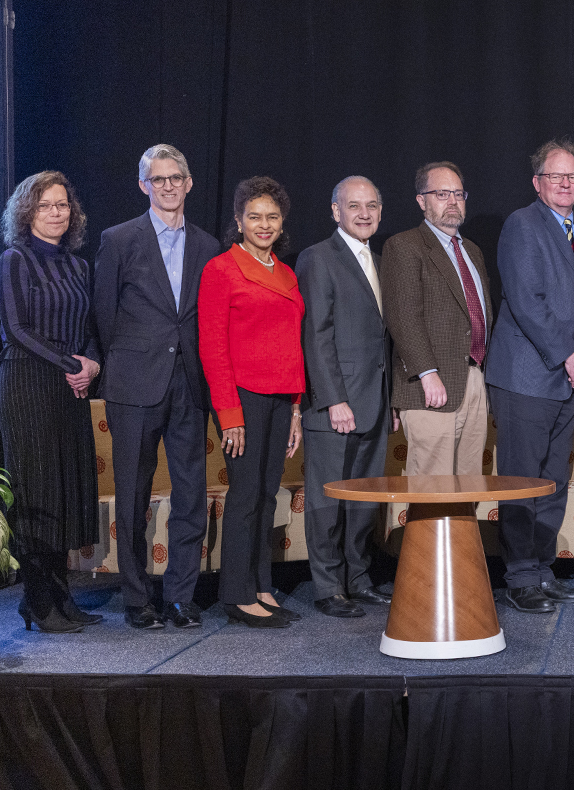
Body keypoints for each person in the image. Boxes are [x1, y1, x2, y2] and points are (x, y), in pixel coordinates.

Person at [94, 144, 220, 630]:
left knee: (190, 495)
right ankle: (136, 597)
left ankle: (181, 598)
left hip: (190, 385)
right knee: (132, 495)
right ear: (144, 185)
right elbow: (104, 314)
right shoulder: (119, 238)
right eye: (158, 179)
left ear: (189, 183)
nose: (168, 186)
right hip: (134, 384)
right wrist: (125, 363)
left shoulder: (209, 246)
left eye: (176, 178)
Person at [486, 140, 574, 613]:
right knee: (522, 480)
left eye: (572, 177)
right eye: (555, 177)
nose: (565, 184)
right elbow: (526, 300)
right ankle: (519, 577)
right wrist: (569, 355)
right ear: (537, 182)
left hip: (572, 377)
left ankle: (541, 568)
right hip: (527, 375)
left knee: (553, 481)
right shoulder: (522, 225)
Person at [0, 171, 101, 633]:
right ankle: (37, 601)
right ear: (27, 212)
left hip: (69, 388)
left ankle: (61, 596)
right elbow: (17, 328)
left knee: (64, 492)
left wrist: (91, 363)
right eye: (45, 205)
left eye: (62, 205)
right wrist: (70, 364)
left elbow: (92, 327)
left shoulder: (79, 267)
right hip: (27, 384)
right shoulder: (14, 259)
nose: (56, 212)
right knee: (36, 492)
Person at [198, 177, 305, 628]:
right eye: (255, 217)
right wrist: (229, 415)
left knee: (267, 493)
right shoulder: (221, 269)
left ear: (282, 224)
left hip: (283, 397)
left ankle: (262, 583)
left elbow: (293, 342)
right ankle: (237, 594)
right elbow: (212, 347)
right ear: (239, 221)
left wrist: (297, 407)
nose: (264, 225)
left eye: (272, 217)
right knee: (245, 495)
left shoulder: (286, 271)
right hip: (244, 397)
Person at [297, 176, 394, 619]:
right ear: (335, 211)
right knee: (327, 499)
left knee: (362, 498)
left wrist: (389, 400)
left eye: (371, 205)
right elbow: (315, 336)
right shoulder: (318, 258)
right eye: (353, 205)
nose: (363, 213)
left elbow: (382, 341)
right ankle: (328, 586)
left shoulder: (378, 260)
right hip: (336, 406)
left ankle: (358, 579)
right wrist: (333, 399)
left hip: (374, 401)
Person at [381, 162, 492, 478]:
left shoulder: (472, 250)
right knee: (434, 489)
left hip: (473, 380)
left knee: (469, 486)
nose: (453, 201)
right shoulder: (404, 246)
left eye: (458, 193)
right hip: (430, 385)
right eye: (442, 194)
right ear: (421, 200)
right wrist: (427, 373)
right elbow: (403, 316)